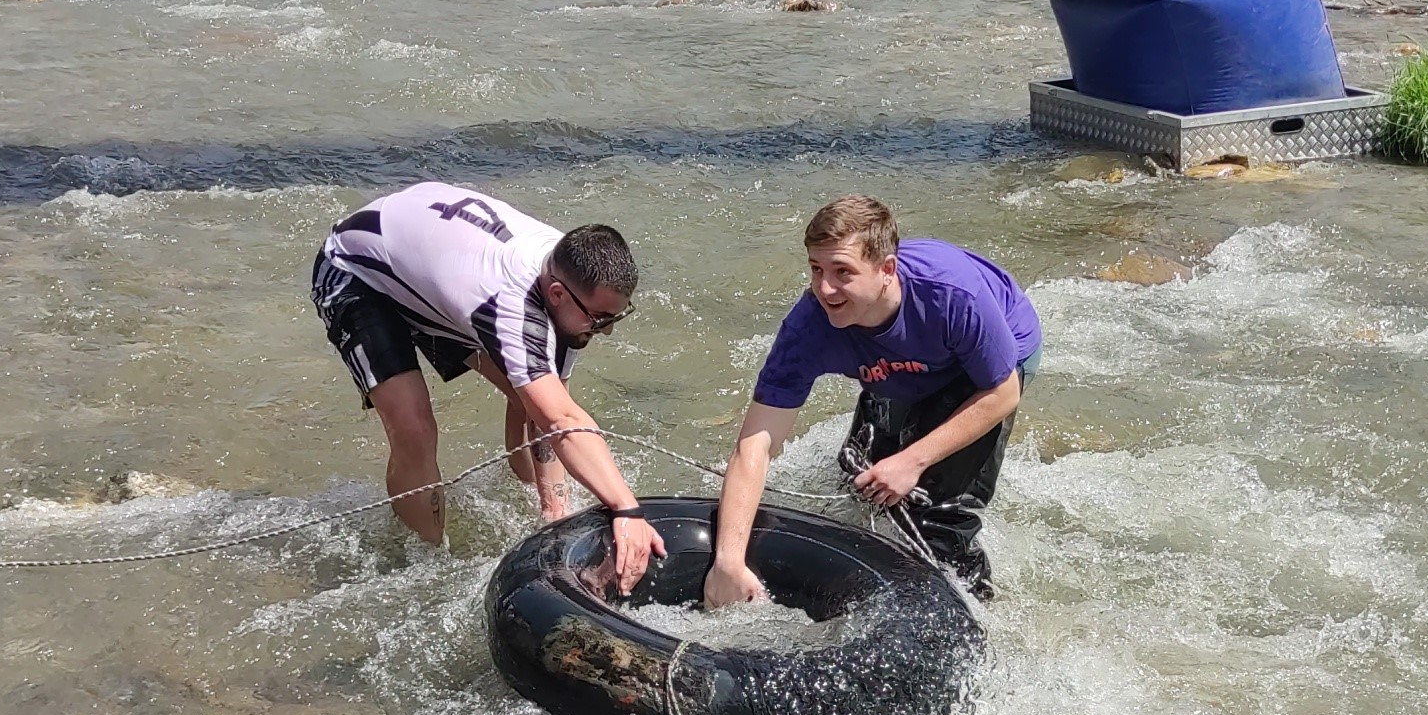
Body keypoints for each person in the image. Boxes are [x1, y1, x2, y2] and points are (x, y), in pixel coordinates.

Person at [311, 181, 665, 593]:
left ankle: (536, 505)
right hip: (357, 270)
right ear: (556, 294)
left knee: (532, 393)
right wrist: (626, 509)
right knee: (414, 427)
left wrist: (553, 517)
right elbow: (561, 419)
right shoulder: (512, 307)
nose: (605, 333)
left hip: (432, 266)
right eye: (601, 321)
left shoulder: (572, 277)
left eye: (614, 319)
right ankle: (425, 566)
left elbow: (546, 411)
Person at [705, 195, 1042, 606]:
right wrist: (728, 561)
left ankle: (978, 609)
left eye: (842, 272)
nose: (824, 288)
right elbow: (755, 444)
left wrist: (912, 461)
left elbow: (1003, 392)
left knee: (932, 513)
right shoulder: (809, 328)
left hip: (989, 369)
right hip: (901, 365)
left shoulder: (952, 295)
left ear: (886, 270)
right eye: (816, 269)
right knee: (862, 481)